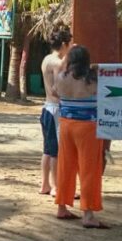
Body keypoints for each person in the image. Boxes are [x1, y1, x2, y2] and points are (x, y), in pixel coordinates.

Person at [54, 45, 108, 228]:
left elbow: (55, 92)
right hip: (87, 127)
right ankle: (88, 214)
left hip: (66, 124)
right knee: (89, 169)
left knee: (65, 166)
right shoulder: (92, 79)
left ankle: (61, 207)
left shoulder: (62, 77)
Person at [39, 27, 71, 195]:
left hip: (46, 108)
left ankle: (45, 184)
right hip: (55, 109)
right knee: (56, 152)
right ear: (64, 44)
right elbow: (56, 89)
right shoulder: (57, 63)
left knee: (48, 149)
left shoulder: (47, 59)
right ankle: (56, 187)